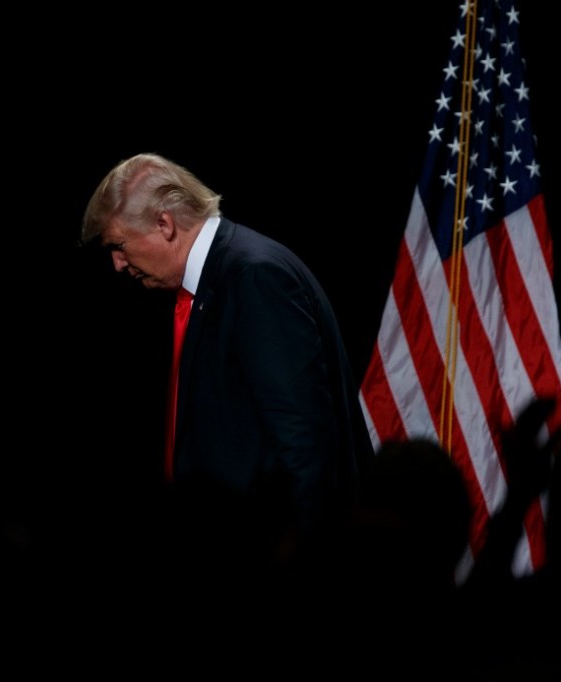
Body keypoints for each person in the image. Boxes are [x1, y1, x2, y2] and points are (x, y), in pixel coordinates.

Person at [80, 152, 375, 565]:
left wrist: (299, 556)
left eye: (119, 245)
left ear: (164, 224)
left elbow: (303, 440)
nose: (116, 263)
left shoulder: (254, 276)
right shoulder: (218, 279)